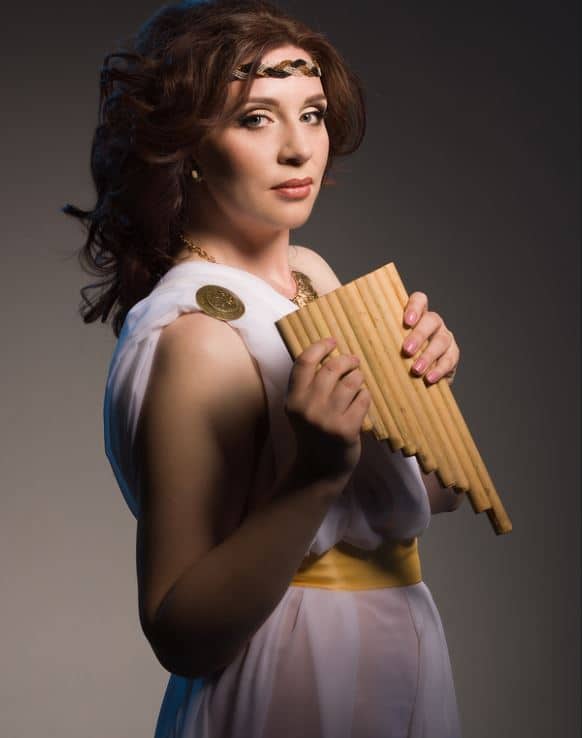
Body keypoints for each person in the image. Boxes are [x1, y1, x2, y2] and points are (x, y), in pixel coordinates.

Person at [65, 1, 465, 735]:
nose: (299, 149)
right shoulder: (196, 337)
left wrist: (426, 388)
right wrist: (315, 476)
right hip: (298, 671)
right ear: (186, 144)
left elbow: (421, 502)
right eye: (255, 118)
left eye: (310, 114)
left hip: (399, 651)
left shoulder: (310, 275)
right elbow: (179, 631)